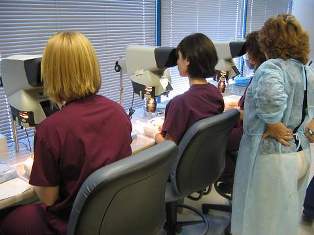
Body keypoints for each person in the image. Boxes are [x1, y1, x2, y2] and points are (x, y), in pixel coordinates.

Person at [0, 32, 132, 235]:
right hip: (114, 216)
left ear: (51, 74)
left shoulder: (51, 129)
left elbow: (48, 198)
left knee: (8, 218)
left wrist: (36, 168)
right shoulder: (118, 111)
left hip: (72, 225)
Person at [231, 14, 314, 235]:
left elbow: (270, 97)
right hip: (301, 154)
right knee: (284, 219)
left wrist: (273, 121)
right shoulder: (306, 70)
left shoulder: (271, 68)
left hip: (273, 157)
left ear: (268, 41)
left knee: (260, 222)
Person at [155, 33, 224, 144]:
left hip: (182, 161)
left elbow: (168, 148)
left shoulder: (180, 103)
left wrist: (156, 136)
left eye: (178, 57)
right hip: (207, 158)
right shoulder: (215, 93)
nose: (177, 62)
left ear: (187, 60)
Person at [220, 31, 266, 192]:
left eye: (247, 55)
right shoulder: (261, 76)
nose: (246, 59)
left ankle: (225, 173)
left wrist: (230, 113)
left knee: (208, 140)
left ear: (254, 56)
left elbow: (255, 115)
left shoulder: (262, 79)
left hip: (245, 133)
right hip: (247, 132)